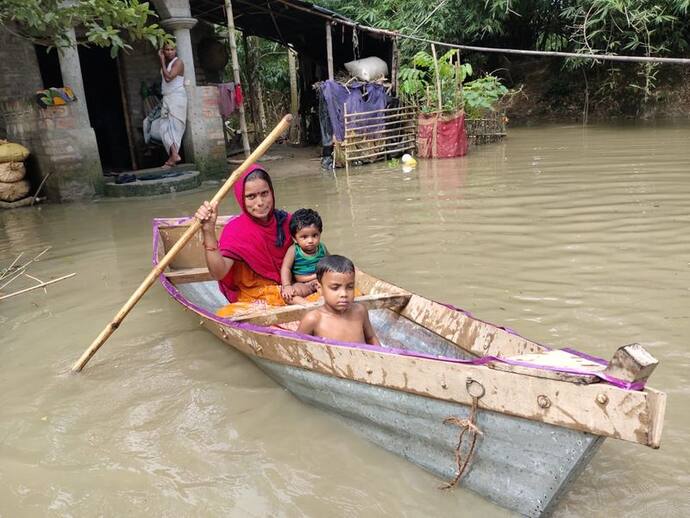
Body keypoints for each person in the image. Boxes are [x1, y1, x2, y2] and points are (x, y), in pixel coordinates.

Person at [194, 165, 314, 316]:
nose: (260, 202)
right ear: (241, 198)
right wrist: (208, 231)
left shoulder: (287, 221)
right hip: (255, 298)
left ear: (272, 192)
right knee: (225, 314)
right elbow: (219, 273)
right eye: (251, 197)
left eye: (265, 193)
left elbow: (312, 251)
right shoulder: (235, 230)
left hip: (292, 288)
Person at [297, 255, 380, 345]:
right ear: (319, 288)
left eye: (350, 287)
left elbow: (371, 337)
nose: (344, 294)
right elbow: (297, 348)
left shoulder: (360, 311)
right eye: (335, 288)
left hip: (363, 359)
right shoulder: (313, 319)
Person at [280, 208, 328, 304]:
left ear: (320, 233)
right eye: (304, 237)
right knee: (287, 295)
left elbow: (330, 262)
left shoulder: (322, 247)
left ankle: (323, 298)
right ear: (295, 238)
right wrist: (287, 285)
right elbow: (286, 268)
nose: (310, 240)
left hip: (321, 280)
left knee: (336, 285)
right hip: (303, 284)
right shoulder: (294, 250)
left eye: (315, 235)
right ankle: (306, 304)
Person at [158, 41, 186, 168]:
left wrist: (162, 61)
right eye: (167, 50)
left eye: (172, 49)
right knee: (164, 128)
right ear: (163, 51)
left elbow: (168, 77)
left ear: (175, 50)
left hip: (177, 98)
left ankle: (173, 157)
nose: (169, 52)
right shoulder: (169, 63)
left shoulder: (178, 62)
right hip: (168, 98)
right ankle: (174, 155)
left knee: (175, 129)